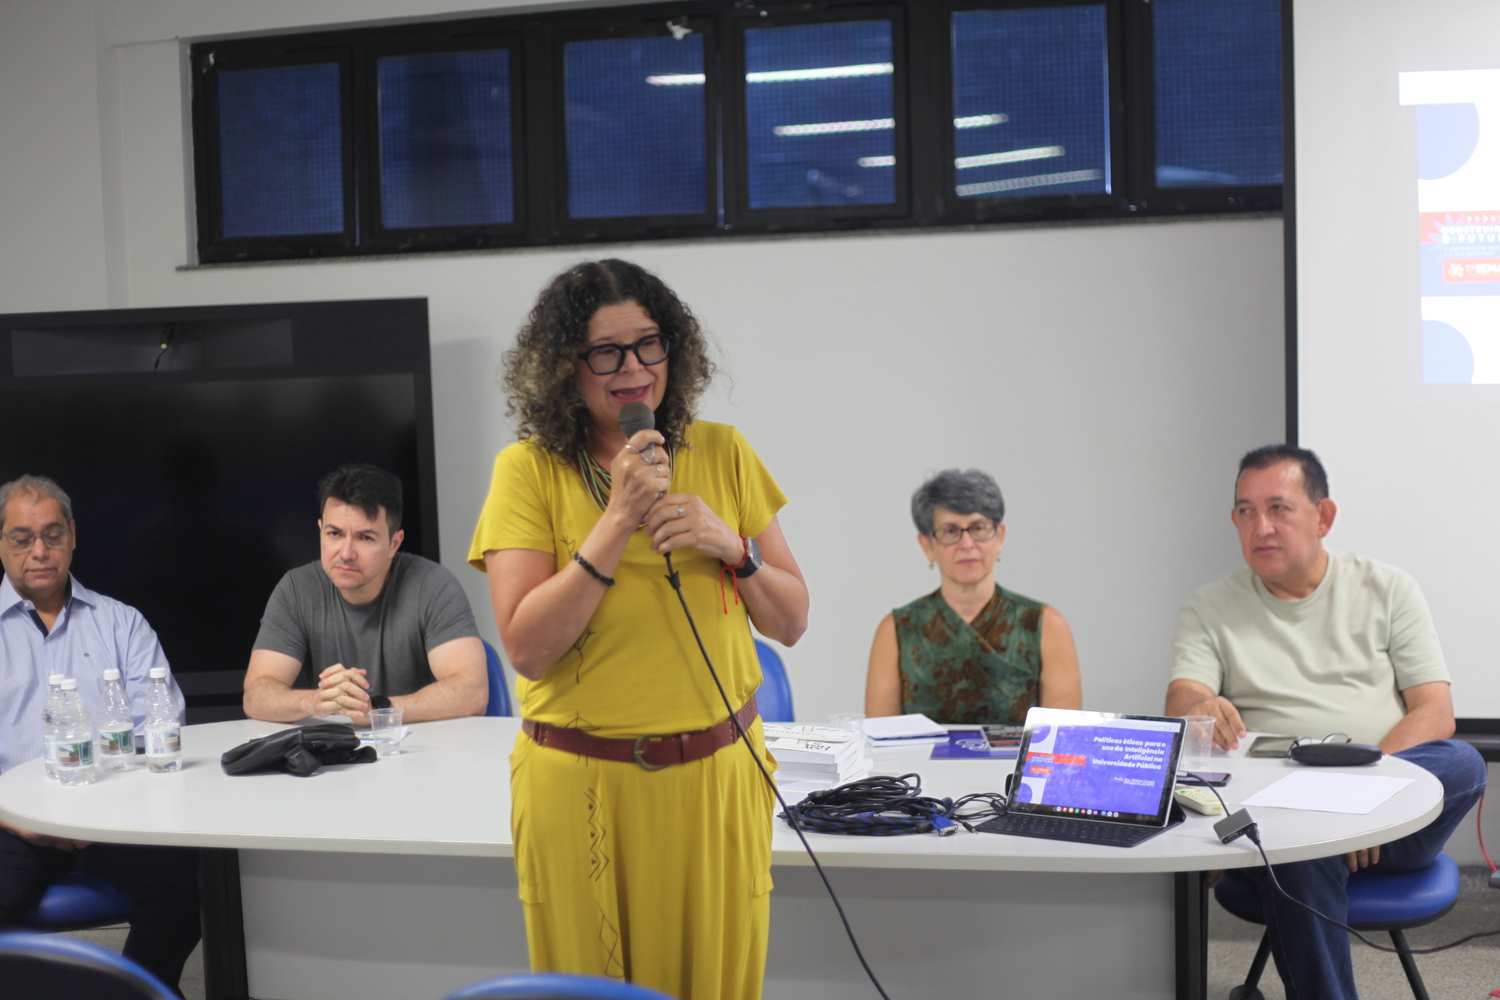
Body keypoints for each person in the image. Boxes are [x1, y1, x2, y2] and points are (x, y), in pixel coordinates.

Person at [470, 259, 809, 1000]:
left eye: (648, 344)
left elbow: (792, 620)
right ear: (566, 366)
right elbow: (525, 648)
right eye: (606, 352)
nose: (633, 369)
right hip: (583, 788)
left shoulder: (723, 451)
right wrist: (617, 520)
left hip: (719, 780)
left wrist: (734, 547)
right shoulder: (526, 471)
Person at [1166, 444, 1486, 1000]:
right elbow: (1184, 695)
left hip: (1387, 818)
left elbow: (1435, 712)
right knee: (1300, 846)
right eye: (1245, 511)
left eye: (1278, 508)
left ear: (1324, 516)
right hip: (1275, 819)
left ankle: (1323, 832)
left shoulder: (1388, 588)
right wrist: (1198, 706)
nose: (1259, 527)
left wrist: (1356, 795)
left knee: (1463, 762)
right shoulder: (1208, 605)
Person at [0, 475, 201, 996]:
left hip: (114, 818)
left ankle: (138, 992)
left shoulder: (121, 624)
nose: (39, 551)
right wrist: (17, 820)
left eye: (52, 535)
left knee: (194, 886)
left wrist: (107, 811)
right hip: (10, 827)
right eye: (22, 538)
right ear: (2, 543)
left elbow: (162, 724)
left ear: (72, 536)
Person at [243, 463, 487, 725]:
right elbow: (255, 696)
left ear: (394, 543)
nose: (346, 553)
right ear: (320, 530)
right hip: (336, 759)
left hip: (423, 751)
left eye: (365, 538)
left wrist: (376, 710)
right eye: (334, 534)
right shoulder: (295, 589)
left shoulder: (434, 585)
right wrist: (317, 701)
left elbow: (472, 692)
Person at [865, 468, 1081, 723]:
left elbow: (1062, 743)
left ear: (999, 537)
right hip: (918, 765)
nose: (967, 544)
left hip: (1014, 765)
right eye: (950, 531)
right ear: (927, 545)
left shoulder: (1045, 626)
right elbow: (879, 745)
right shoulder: (896, 631)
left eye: (979, 528)